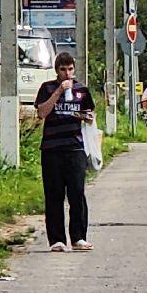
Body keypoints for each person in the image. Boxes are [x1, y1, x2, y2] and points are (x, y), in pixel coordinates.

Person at [34, 52, 95, 253]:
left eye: (70, 69)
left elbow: (89, 114)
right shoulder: (47, 88)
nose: (67, 73)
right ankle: (57, 239)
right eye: (63, 70)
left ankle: (78, 237)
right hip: (52, 149)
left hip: (75, 148)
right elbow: (42, 112)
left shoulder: (81, 90)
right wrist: (59, 92)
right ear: (56, 70)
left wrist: (84, 116)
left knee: (77, 194)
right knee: (54, 195)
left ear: (74, 69)